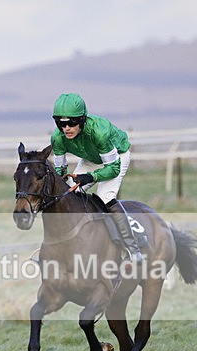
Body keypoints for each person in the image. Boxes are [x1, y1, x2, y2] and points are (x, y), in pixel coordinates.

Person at [50, 93, 143, 264]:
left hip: (117, 157)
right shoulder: (57, 137)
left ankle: (132, 247)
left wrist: (90, 177)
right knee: (67, 195)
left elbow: (113, 168)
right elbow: (60, 169)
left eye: (72, 123)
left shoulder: (99, 132)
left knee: (104, 197)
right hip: (92, 158)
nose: (67, 128)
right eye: (61, 124)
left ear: (82, 120)